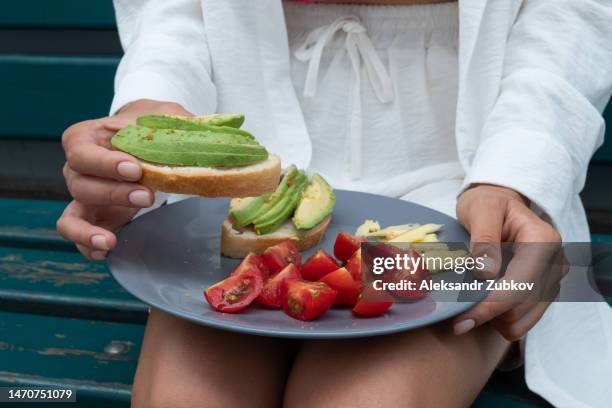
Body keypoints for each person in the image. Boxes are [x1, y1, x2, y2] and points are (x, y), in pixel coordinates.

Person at [56, 0, 612, 407]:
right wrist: (153, 104)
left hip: (469, 163)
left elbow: (567, 17)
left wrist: (517, 172)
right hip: (249, 173)